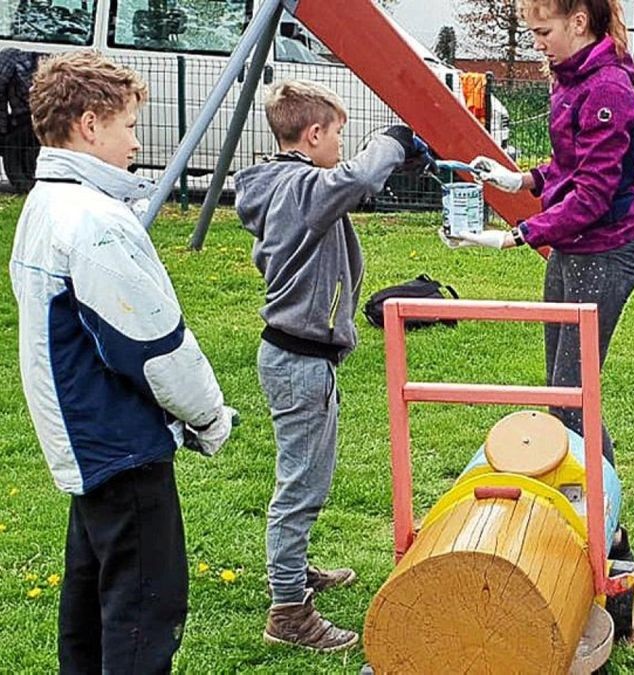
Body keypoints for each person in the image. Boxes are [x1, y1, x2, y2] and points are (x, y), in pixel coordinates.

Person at [9, 51, 235, 673]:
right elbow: (152, 346)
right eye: (129, 125)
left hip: (85, 445)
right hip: (121, 447)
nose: (137, 140)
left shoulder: (45, 202)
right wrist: (209, 416)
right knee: (143, 613)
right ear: (88, 124)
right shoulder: (93, 222)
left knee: (89, 606)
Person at [234, 79, 434, 651]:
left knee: (302, 477)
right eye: (339, 134)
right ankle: (288, 611)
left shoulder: (282, 185)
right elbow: (358, 177)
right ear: (314, 134)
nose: (342, 145)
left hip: (295, 356)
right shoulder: (301, 189)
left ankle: (294, 573)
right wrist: (393, 138)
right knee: (301, 486)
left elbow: (350, 186)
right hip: (300, 362)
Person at [459, 1, 634, 468]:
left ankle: (605, 522)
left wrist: (515, 236)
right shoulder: (571, 80)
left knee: (569, 396)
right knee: (561, 391)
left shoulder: (607, 90)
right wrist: (520, 180)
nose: (536, 44)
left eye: (543, 32)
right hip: (572, 250)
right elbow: (569, 167)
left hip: (606, 254)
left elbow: (592, 197)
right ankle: (591, 503)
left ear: (578, 22)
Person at [0, 47, 44, 192]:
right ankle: (27, 185)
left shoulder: (9, 65)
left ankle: (25, 185)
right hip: (30, 118)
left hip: (23, 119)